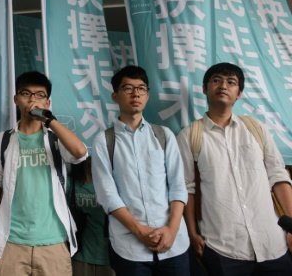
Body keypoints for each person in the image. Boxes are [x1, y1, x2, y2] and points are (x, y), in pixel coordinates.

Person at [177, 62, 292, 275]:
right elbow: (187, 188)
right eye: (216, 80)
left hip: (273, 245)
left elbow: (278, 176)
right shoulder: (190, 135)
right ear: (204, 88)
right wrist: (192, 233)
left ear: (239, 93)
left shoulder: (255, 129)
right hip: (223, 248)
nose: (223, 85)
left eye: (231, 82)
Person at [0, 71, 88, 276]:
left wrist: (49, 121)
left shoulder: (56, 139)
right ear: (16, 99)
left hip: (54, 242)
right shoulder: (3, 140)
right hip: (11, 243)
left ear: (47, 102)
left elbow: (80, 153)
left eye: (39, 95)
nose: (32, 99)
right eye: (26, 93)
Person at [91, 65, 190, 276]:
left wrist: (172, 230)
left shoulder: (164, 135)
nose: (136, 93)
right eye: (128, 88)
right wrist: (139, 230)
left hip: (174, 244)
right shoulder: (104, 141)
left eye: (141, 88)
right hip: (130, 247)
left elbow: (178, 186)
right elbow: (107, 195)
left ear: (147, 95)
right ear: (115, 95)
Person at [68, 157, 115, 276]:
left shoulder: (111, 185)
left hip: (108, 255)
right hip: (80, 255)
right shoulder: (72, 184)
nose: (91, 157)